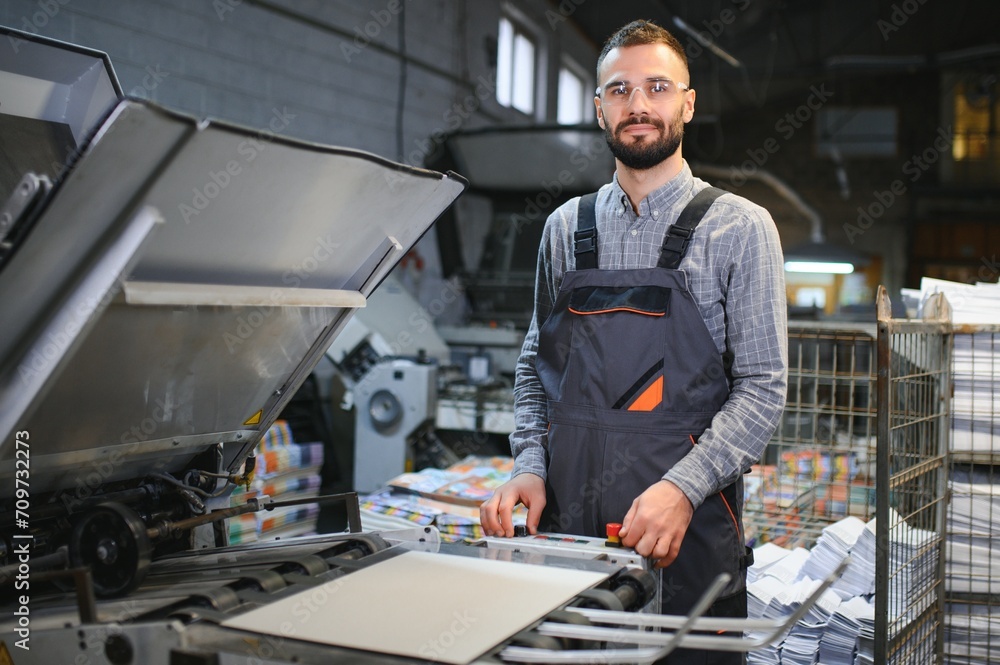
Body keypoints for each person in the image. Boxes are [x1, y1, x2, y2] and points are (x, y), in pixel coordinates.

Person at [480, 19, 787, 664]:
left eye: (657, 88)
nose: (639, 105)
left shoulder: (740, 228)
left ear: (688, 102)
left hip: (691, 535)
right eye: (619, 90)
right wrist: (528, 469)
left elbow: (763, 390)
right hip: (568, 535)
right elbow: (537, 368)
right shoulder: (566, 228)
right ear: (599, 109)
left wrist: (683, 488)